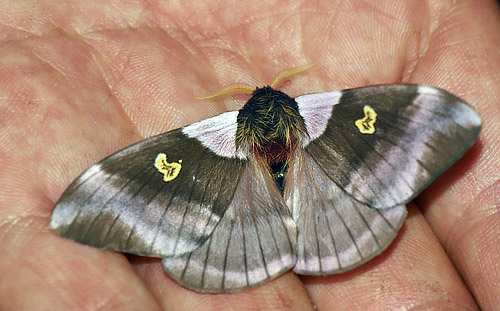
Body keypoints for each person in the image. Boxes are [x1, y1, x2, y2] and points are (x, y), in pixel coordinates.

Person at [1, 1, 498, 310]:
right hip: (329, 195)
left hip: (237, 209)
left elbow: (434, 120)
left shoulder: (212, 138)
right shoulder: (329, 114)